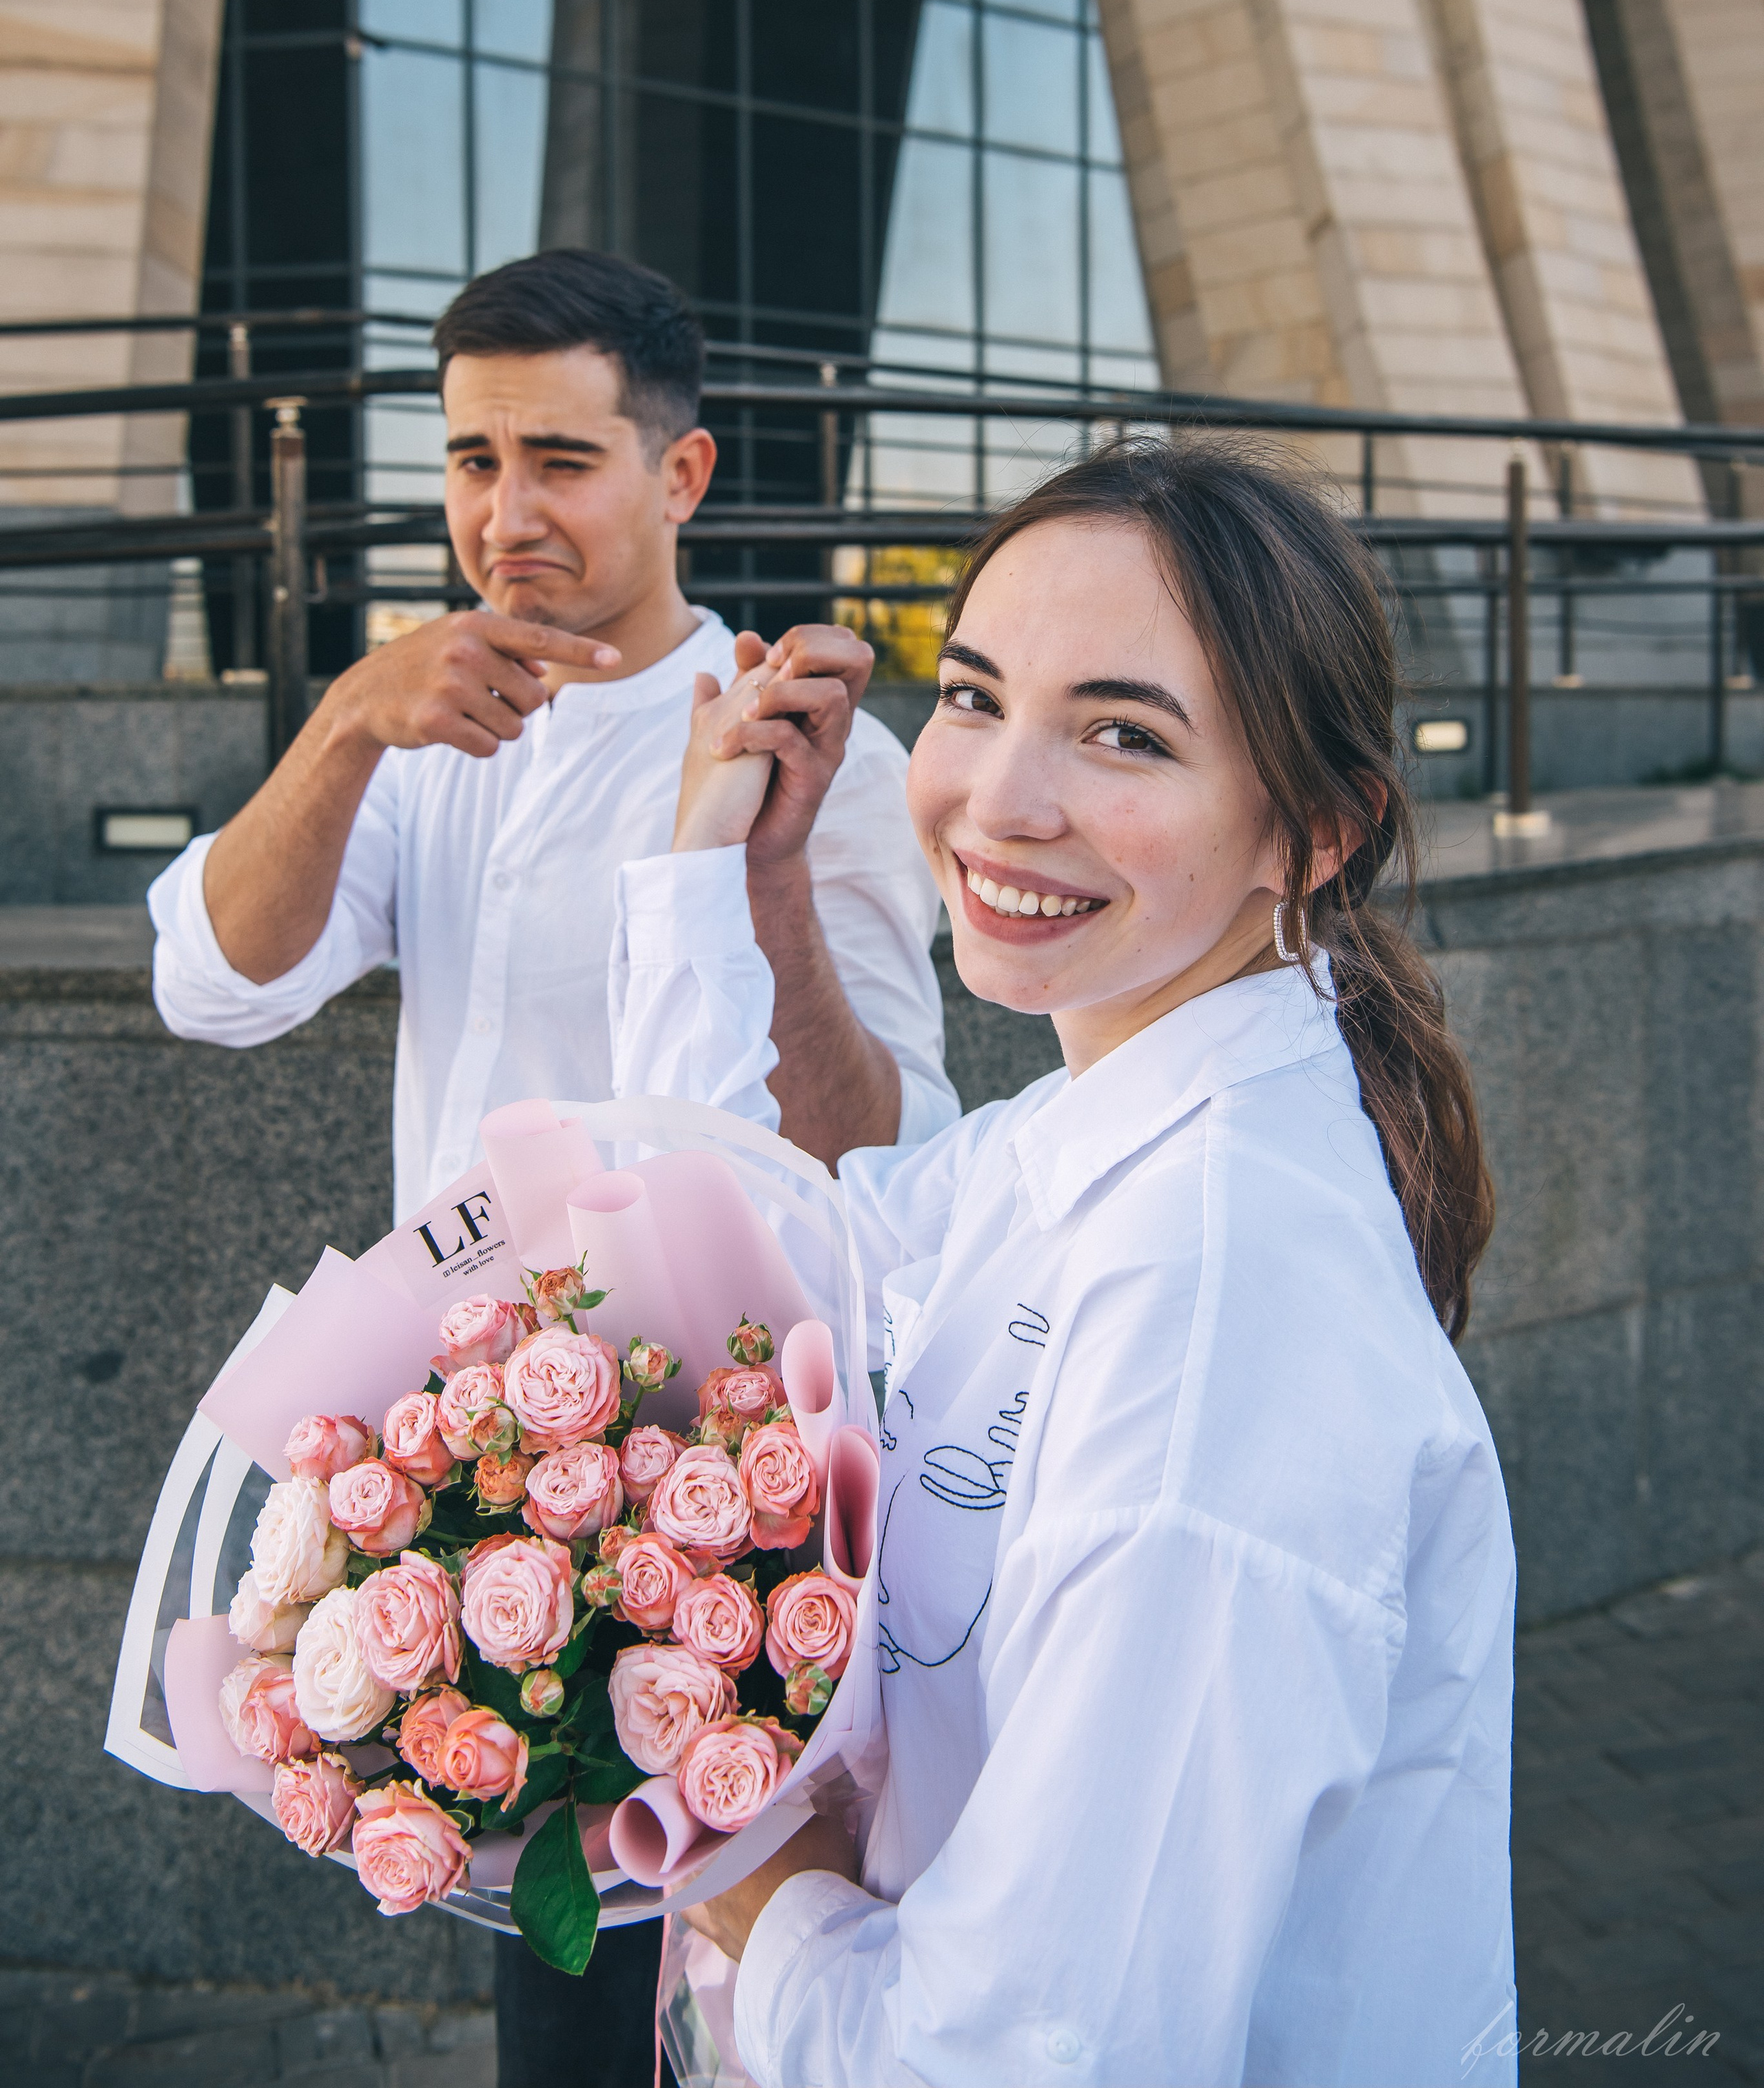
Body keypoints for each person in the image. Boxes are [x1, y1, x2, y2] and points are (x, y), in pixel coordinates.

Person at [608, 437, 1518, 2088]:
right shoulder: (1074, 1138)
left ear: (1311, 830)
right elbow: (729, 1262)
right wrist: (712, 877)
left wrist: (771, 1894)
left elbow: (1035, 2058)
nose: (996, 798)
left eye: (1122, 733)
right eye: (971, 695)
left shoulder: (1221, 1312)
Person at [146, 247, 958, 2087]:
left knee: (737, 1989)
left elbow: (888, 1149)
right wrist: (355, 715)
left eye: (561, 460)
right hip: (483, 1466)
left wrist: (759, 873)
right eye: (471, 459)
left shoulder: (802, 734)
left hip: (748, 1482)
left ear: (681, 476)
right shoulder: (428, 732)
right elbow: (211, 984)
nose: (504, 513)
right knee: (564, 1995)